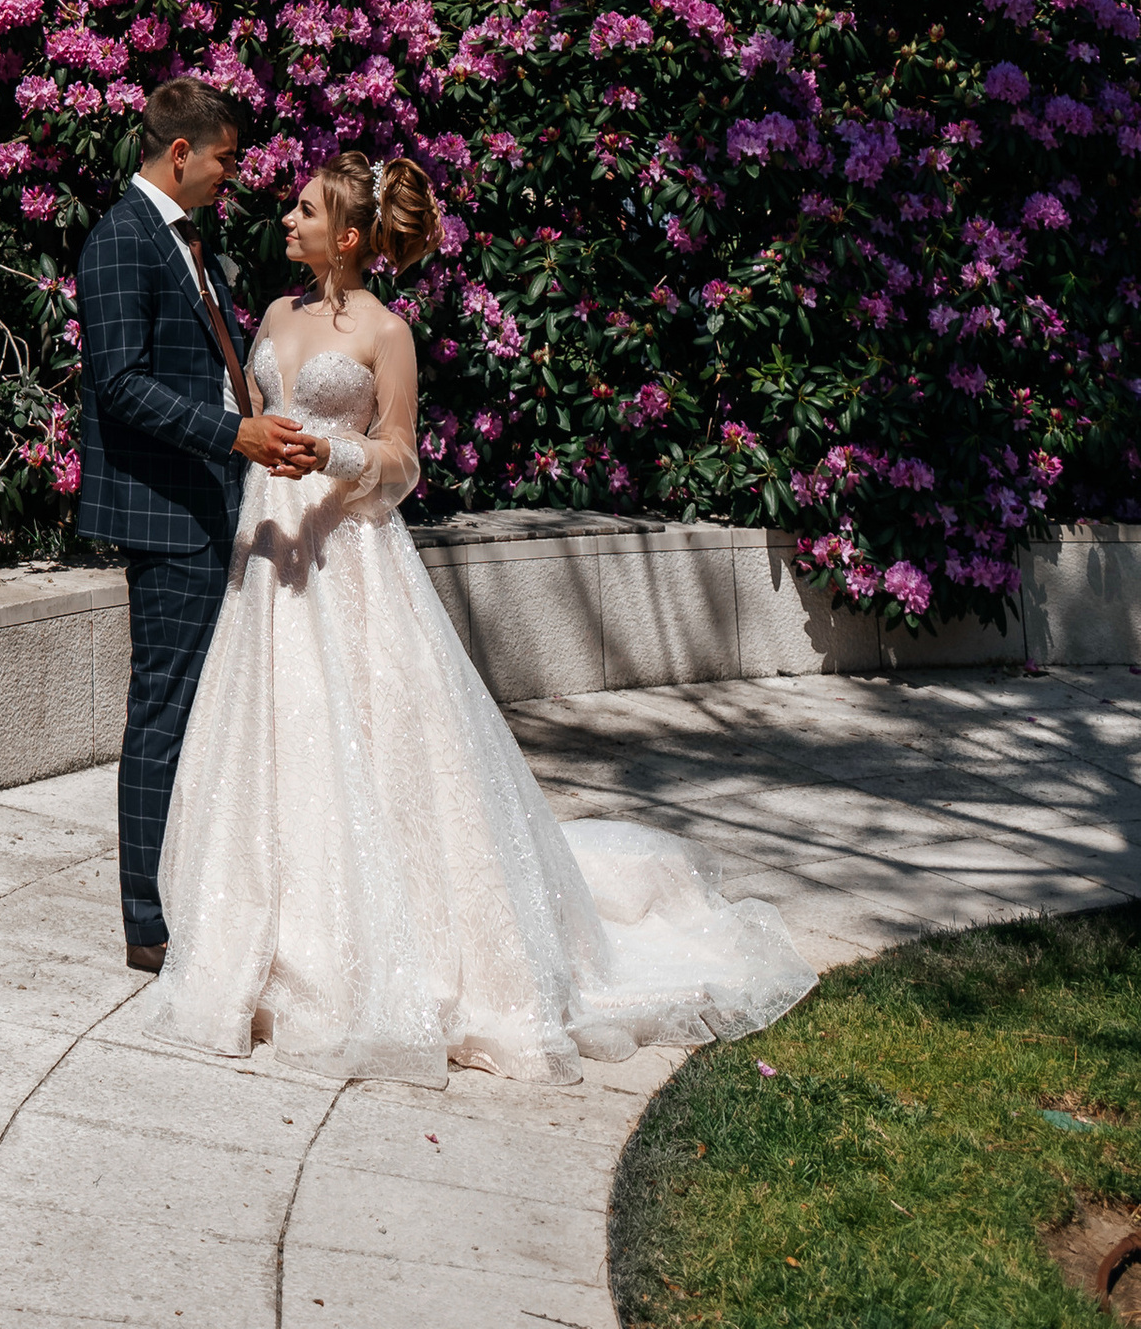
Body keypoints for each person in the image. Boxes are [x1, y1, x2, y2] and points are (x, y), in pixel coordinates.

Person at [140, 145, 816, 1078]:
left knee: (369, 741)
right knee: (274, 733)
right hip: (269, 550)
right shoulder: (273, 313)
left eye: (302, 211)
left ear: (345, 237)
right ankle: (265, 941)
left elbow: (404, 462)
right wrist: (252, 437)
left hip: (347, 555)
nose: (283, 221)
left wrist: (334, 462)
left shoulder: (387, 334)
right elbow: (255, 410)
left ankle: (378, 954)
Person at [75, 76, 314, 970]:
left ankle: (196, 889)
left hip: (208, 505)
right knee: (164, 712)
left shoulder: (182, 243)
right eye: (224, 158)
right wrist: (235, 434)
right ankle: (149, 923)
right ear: (182, 152)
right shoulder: (119, 242)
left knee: (203, 712)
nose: (231, 175)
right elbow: (121, 384)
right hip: (166, 517)